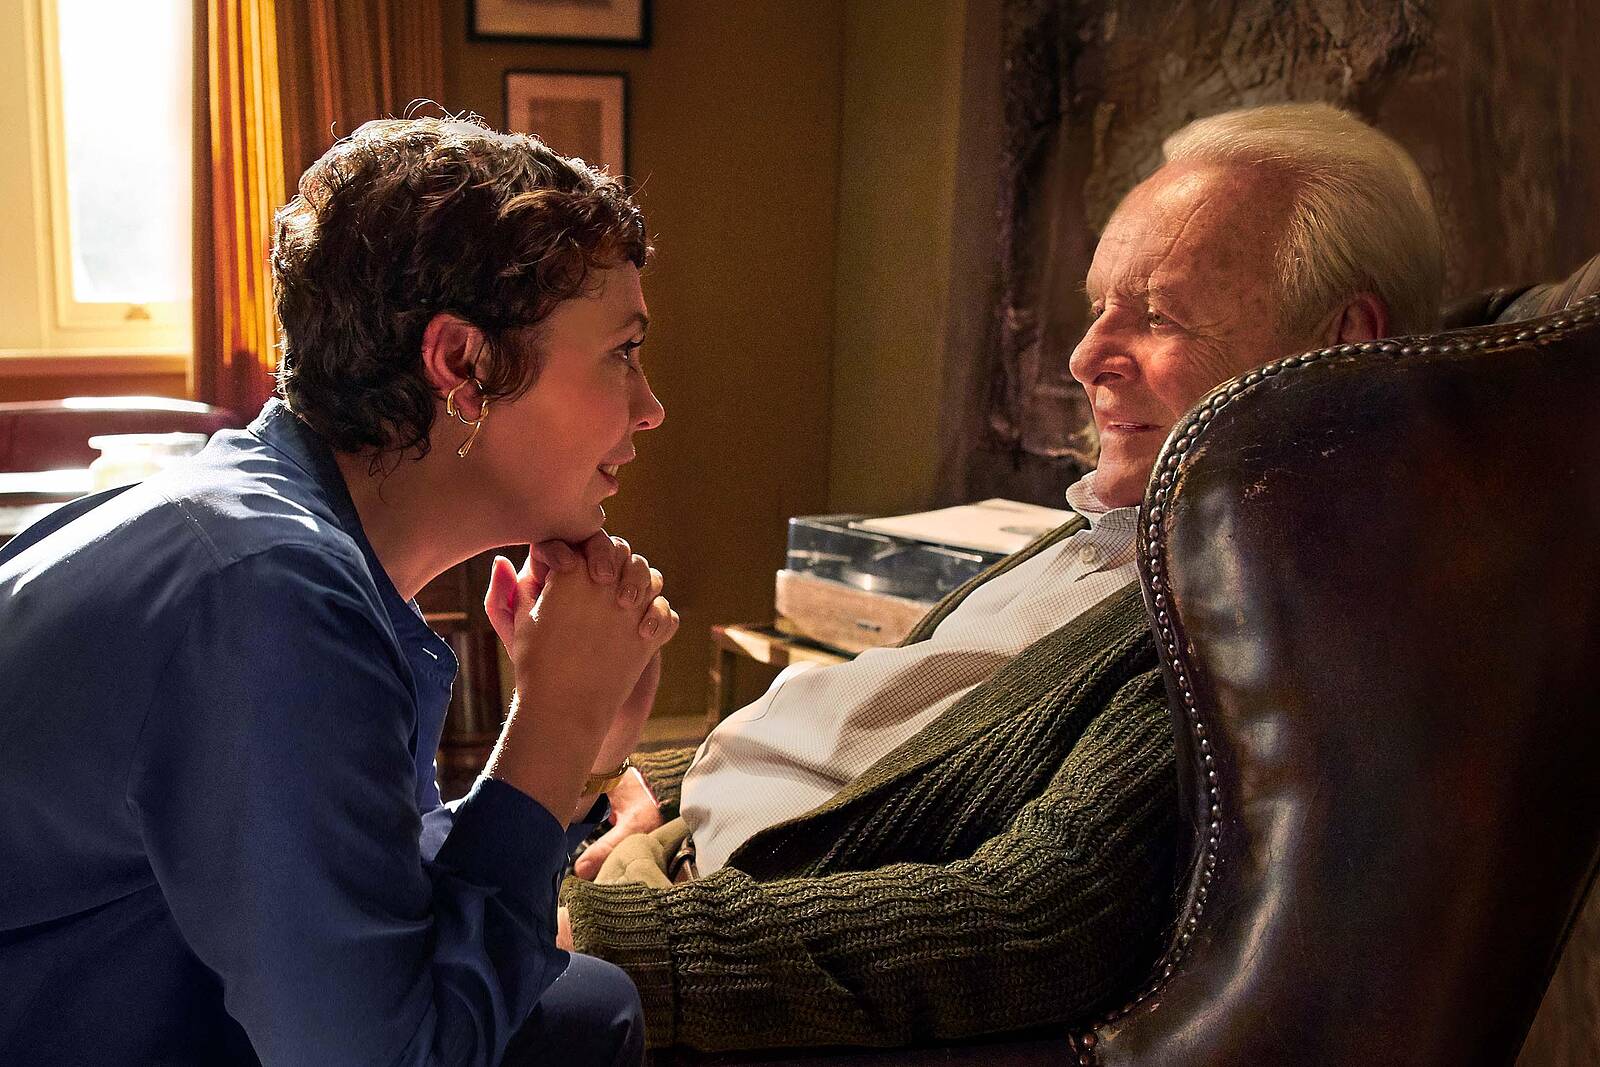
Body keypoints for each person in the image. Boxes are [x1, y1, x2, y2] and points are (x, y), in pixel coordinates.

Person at [557, 102, 1446, 1051]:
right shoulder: (1124, 524)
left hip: (693, 941)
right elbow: (889, 735)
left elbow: (1030, 919)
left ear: (1338, 346)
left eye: (1158, 316)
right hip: (660, 842)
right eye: (1098, 306)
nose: (1086, 358)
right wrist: (642, 782)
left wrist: (613, 940)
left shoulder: (1238, 610)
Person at [0, 117, 675, 1066]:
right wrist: (553, 725)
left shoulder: (283, 537)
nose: (650, 408)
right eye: (623, 352)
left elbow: (359, 882)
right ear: (465, 366)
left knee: (585, 1006)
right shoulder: (268, 594)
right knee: (578, 1018)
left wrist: (583, 763)